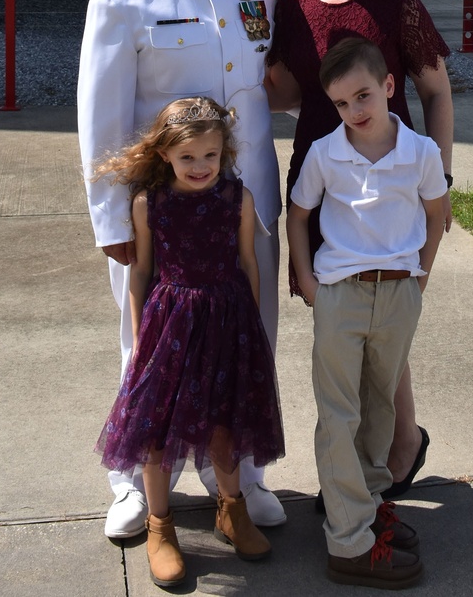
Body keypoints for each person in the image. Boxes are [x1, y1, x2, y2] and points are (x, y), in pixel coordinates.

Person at [78, 0, 285, 541]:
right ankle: (132, 479)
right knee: (147, 348)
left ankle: (242, 472)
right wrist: (109, 216)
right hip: (161, 215)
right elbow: (101, 118)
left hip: (246, 200)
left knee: (250, 340)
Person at [265, 0, 453, 496]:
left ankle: (398, 441)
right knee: (346, 325)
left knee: (384, 312)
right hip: (323, 178)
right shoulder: (290, 5)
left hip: (391, 183)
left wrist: (439, 178)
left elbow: (436, 93)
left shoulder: (398, 5)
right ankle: (364, 462)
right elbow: (296, 95)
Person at [95, 98, 285, 587]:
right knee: (156, 434)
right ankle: (160, 527)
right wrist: (139, 338)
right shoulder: (149, 204)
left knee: (223, 426)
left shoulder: (235, 199)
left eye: (210, 156)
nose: (200, 167)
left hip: (227, 321)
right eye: (188, 158)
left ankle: (231, 511)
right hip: (170, 326)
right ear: (165, 155)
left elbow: (248, 261)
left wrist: (254, 328)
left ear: (224, 153)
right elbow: (141, 270)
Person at [288, 38, 447, 588]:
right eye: (341, 104)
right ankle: (348, 543)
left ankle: (368, 504)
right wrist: (307, 278)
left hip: (399, 293)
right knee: (339, 413)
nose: (354, 112)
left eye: (362, 96)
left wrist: (420, 276)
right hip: (341, 294)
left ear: (387, 87)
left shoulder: (421, 152)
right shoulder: (325, 153)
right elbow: (298, 213)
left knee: (379, 408)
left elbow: (435, 212)